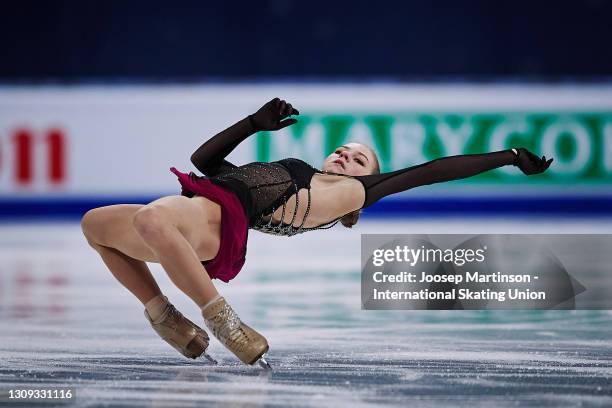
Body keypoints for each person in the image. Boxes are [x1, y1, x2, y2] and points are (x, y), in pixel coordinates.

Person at [80, 98, 553, 368]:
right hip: (199, 214)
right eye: (344, 150)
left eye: (360, 159)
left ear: (370, 178)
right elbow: (204, 162)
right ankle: (168, 320)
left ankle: (226, 324)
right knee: (96, 225)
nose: (347, 156)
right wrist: (252, 124)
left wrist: (508, 156)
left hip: (213, 226)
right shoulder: (296, 171)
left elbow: (433, 170)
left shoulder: (350, 194)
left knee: (151, 218)